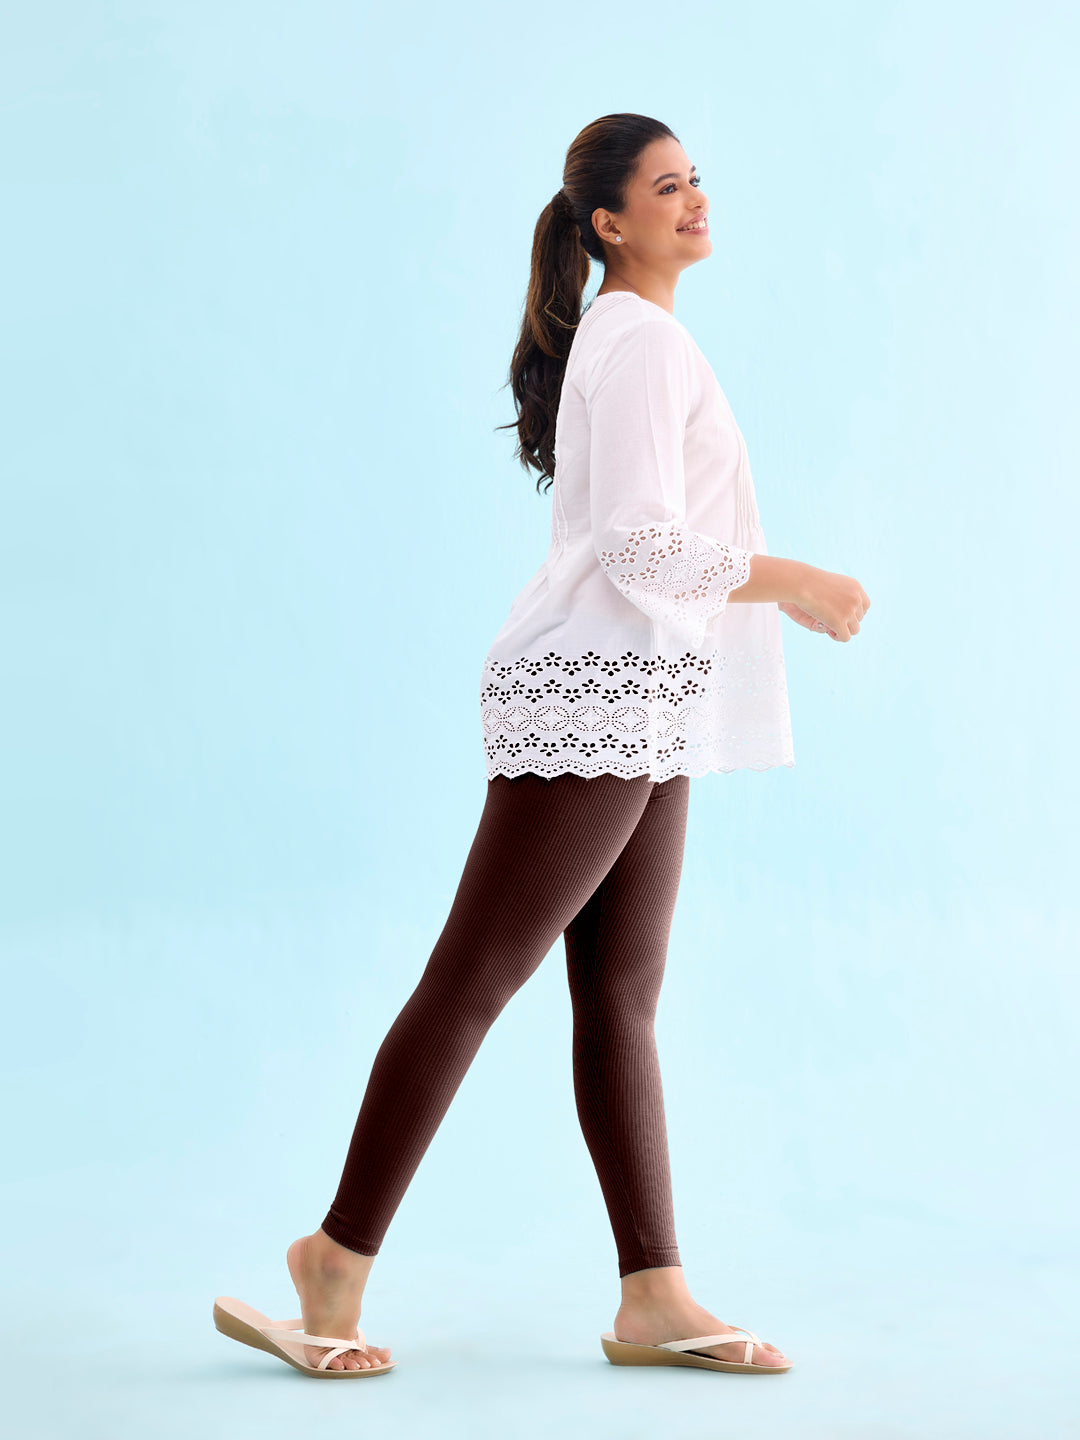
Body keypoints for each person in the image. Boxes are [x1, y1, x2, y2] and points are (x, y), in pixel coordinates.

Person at [214, 113, 870, 1379]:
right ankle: (333, 1260)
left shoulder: (640, 337)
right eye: (666, 187)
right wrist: (795, 580)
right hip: (596, 693)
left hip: (646, 693)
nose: (694, 200)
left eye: (696, 180)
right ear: (609, 223)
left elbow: (648, 546)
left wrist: (767, 593)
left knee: (619, 1000)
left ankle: (654, 1294)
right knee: (475, 977)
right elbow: (639, 546)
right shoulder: (638, 343)